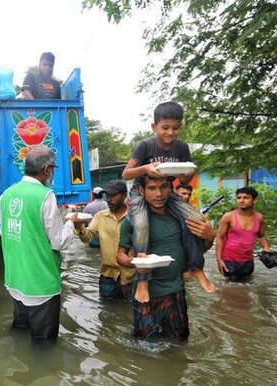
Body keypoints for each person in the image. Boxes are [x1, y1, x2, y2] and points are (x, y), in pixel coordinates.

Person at [122, 101, 216, 301]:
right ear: (154, 126)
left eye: (175, 128)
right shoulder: (145, 146)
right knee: (141, 223)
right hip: (141, 192)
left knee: (196, 219)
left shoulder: (181, 147)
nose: (170, 133)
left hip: (168, 190)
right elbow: (126, 173)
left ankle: (196, 268)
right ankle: (143, 280)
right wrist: (146, 168)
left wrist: (187, 174)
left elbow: (183, 180)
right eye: (165, 128)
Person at [116, 175, 216, 339]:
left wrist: (210, 236)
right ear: (142, 190)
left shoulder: (182, 218)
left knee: (180, 341)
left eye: (163, 187)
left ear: (171, 188)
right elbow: (120, 255)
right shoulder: (133, 220)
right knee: (145, 346)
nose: (159, 194)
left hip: (176, 291)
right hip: (147, 296)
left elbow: (198, 250)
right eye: (152, 188)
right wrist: (134, 262)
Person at [0, 145, 76, 344]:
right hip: (41, 286)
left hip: (15, 281)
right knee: (44, 346)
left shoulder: (7, 195)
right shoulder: (45, 196)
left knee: (20, 334)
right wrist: (71, 222)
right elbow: (60, 241)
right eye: (54, 169)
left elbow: (5, 231)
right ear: (47, 170)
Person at [73, 180, 135, 300]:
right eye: (108, 196)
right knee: (106, 312)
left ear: (124, 195)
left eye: (113, 195)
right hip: (108, 277)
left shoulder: (135, 216)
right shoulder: (100, 216)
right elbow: (87, 237)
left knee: (132, 311)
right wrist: (79, 226)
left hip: (131, 277)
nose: (109, 199)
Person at [216, 187, 271, 282]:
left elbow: (261, 235)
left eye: (246, 198)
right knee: (230, 290)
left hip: (248, 261)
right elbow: (220, 238)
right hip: (229, 261)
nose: (241, 201)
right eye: (239, 198)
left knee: (246, 288)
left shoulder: (259, 217)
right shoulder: (228, 217)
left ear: (254, 200)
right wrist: (219, 259)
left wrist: (266, 247)